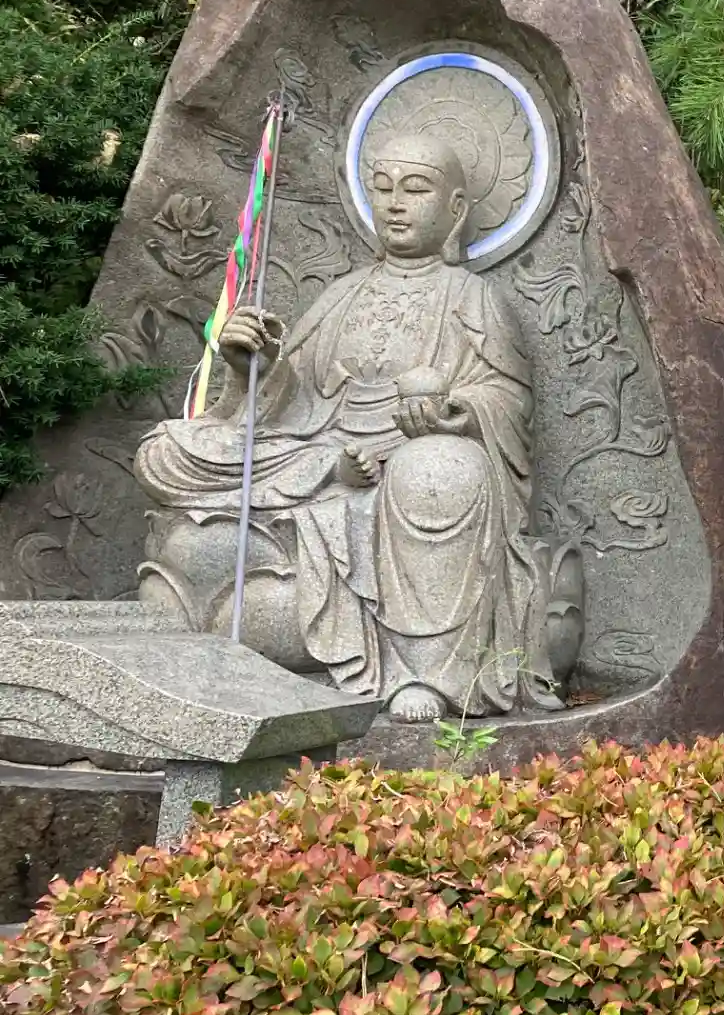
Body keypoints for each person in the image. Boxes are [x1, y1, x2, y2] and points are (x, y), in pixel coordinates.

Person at [134, 134, 554, 721]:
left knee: (442, 469)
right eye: (382, 189)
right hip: (316, 458)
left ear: (456, 209)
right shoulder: (342, 294)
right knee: (165, 449)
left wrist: (454, 414)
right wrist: (251, 369)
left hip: (404, 472)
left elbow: (508, 400)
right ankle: (314, 501)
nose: (395, 204)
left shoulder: (474, 298)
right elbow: (288, 402)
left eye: (415, 189)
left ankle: (424, 672)